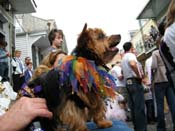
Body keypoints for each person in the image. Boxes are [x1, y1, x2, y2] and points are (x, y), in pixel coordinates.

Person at [121, 42, 147, 131]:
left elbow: (122, 72)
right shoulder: (130, 55)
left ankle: (137, 127)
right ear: (131, 47)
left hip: (128, 83)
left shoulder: (123, 58)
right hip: (134, 82)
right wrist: (139, 76)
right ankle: (142, 129)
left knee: (133, 107)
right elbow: (132, 64)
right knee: (139, 107)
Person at [151, 48, 175, 131]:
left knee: (160, 105)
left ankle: (161, 127)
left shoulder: (155, 53)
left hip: (159, 80)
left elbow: (154, 66)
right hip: (169, 79)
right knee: (172, 104)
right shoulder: (168, 51)